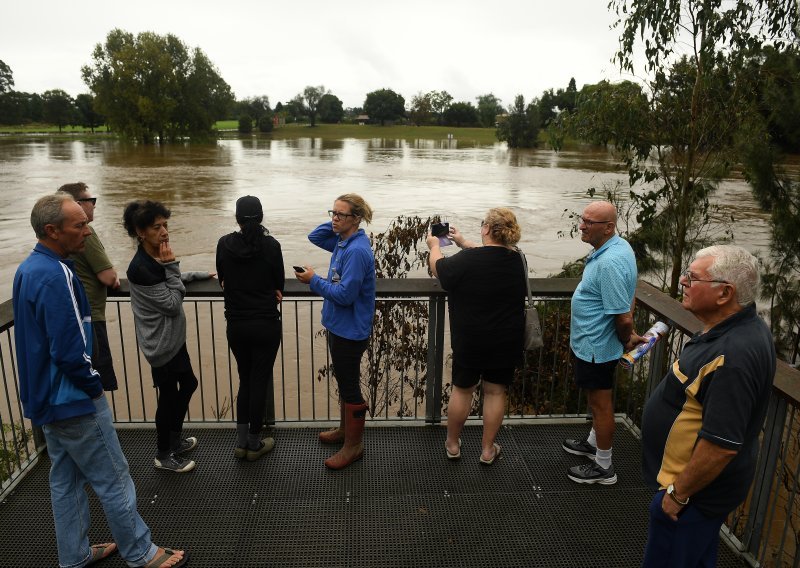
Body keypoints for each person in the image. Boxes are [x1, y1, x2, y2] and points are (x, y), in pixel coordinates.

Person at [13, 194, 187, 568]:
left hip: (45, 397)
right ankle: (141, 553)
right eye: (79, 225)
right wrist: (93, 384)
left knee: (66, 479)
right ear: (52, 230)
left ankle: (74, 554)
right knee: (114, 477)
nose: (88, 232)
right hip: (74, 399)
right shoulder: (56, 274)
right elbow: (69, 348)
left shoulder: (28, 269)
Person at [640, 245, 775, 567]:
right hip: (691, 494)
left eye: (693, 277)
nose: (684, 281)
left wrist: (676, 497)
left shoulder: (733, 356)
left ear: (723, 293)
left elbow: (721, 444)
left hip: (691, 498)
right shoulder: (728, 331)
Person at [426, 209, 526, 465]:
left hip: (471, 338)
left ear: (486, 229)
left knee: (463, 389)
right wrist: (461, 241)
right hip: (506, 338)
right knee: (494, 392)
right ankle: (487, 450)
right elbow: (487, 254)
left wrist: (434, 245)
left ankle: (452, 444)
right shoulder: (518, 258)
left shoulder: (467, 261)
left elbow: (441, 270)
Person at [124, 200, 212, 474]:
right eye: (156, 227)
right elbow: (173, 302)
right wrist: (172, 265)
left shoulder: (152, 260)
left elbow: (167, 278)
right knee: (169, 397)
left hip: (172, 339)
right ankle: (164, 454)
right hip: (161, 344)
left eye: (165, 225)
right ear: (140, 232)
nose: (164, 232)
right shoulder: (140, 268)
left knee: (188, 385)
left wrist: (194, 274)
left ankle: (174, 440)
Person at [561, 200, 641, 485]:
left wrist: (626, 338)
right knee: (597, 403)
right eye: (582, 219)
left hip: (597, 347)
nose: (581, 225)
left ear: (608, 227)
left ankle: (604, 467)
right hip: (593, 343)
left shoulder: (609, 262)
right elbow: (629, 294)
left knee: (601, 405)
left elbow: (623, 316)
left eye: (588, 222)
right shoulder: (618, 248)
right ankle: (594, 443)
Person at [295, 193, 376, 470]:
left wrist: (313, 280)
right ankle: (344, 432)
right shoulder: (343, 242)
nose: (333, 218)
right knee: (344, 381)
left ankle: (353, 446)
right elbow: (314, 237)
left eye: (341, 215)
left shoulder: (355, 251)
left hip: (350, 331)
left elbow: (344, 295)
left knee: (350, 386)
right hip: (339, 327)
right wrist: (336, 220)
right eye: (332, 212)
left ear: (357, 219)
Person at [216, 195, 285, 461]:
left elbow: (222, 278)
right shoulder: (271, 246)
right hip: (265, 324)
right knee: (259, 381)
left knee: (245, 380)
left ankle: (241, 441)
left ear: (236, 218)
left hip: (236, 324)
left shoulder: (224, 244)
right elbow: (279, 283)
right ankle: (254, 444)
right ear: (261, 216)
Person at [57, 182, 120, 391]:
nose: (94, 205)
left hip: (77, 315)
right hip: (91, 317)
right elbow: (108, 277)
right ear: (77, 204)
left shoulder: (61, 236)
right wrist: (113, 276)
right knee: (97, 383)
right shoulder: (87, 232)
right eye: (90, 201)